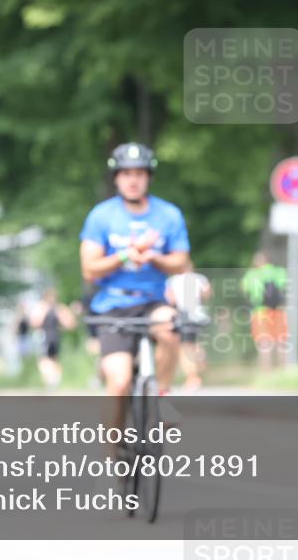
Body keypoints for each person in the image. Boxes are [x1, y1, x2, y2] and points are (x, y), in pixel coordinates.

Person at [80, 142, 190, 429]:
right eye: (126, 174)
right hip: (114, 305)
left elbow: (181, 262)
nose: (133, 180)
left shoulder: (169, 215)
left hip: (153, 300)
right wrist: (126, 254)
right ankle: (112, 463)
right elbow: (90, 269)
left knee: (171, 325)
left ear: (148, 178)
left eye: (139, 174)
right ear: (116, 178)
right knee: (119, 383)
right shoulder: (101, 216)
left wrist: (155, 257)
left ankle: (162, 395)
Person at [165, 263, 212, 391]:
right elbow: (207, 295)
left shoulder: (173, 280)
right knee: (195, 343)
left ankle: (193, 378)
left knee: (185, 347)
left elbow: (171, 299)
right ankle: (201, 360)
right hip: (199, 315)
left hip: (184, 315)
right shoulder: (201, 278)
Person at [241, 252, 289, 369]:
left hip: (260, 312)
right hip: (278, 311)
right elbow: (285, 287)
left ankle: (266, 370)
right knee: (281, 341)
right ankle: (283, 370)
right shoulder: (279, 271)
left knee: (264, 342)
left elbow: (245, 289)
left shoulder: (251, 274)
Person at [23, 288, 77, 388]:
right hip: (50, 336)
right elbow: (70, 324)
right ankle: (53, 380)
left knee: (47, 360)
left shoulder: (51, 307)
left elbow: (34, 322)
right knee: (50, 359)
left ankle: (52, 381)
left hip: (49, 336)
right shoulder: (52, 307)